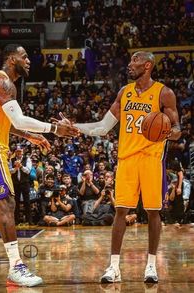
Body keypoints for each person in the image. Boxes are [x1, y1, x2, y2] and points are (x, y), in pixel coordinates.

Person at [0, 44, 79, 287]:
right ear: (11, 58)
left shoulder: (5, 86)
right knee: (7, 202)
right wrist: (55, 129)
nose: (29, 61)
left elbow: (9, 122)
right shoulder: (2, 82)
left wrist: (28, 136)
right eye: (24, 56)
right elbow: (18, 118)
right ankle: (16, 267)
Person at [58, 51, 181, 283]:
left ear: (147, 65)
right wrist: (75, 126)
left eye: (135, 60)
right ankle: (114, 267)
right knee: (121, 212)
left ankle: (151, 266)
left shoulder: (164, 93)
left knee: (154, 212)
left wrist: (166, 131)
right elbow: (103, 127)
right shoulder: (124, 93)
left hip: (151, 160)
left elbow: (177, 129)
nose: (129, 64)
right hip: (127, 160)